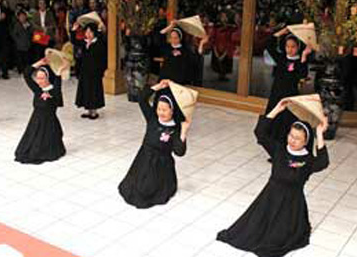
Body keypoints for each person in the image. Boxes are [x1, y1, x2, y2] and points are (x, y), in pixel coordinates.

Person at [217, 98, 329, 257]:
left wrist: (319, 132)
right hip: (269, 199)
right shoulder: (279, 151)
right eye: (291, 135)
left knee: (277, 239)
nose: (292, 140)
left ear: (306, 142)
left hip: (292, 205)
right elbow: (260, 133)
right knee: (251, 232)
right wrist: (277, 109)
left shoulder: (308, 160)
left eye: (297, 138)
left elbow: (323, 162)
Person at [118, 79, 190, 208]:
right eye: (159, 109)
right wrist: (158, 87)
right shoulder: (152, 118)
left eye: (165, 110)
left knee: (151, 191)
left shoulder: (175, 127)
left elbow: (179, 152)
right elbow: (141, 99)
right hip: (145, 158)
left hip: (162, 164)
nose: (161, 112)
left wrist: (184, 132)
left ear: (172, 110)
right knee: (138, 189)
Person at [14, 57, 65, 164]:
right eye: (38, 78)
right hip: (35, 121)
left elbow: (57, 101)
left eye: (42, 78)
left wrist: (59, 72)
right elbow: (26, 75)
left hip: (49, 122)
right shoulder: (37, 89)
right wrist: (38, 63)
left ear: (47, 78)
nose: (39, 81)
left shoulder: (53, 89)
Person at [264, 31, 311, 146]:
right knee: (273, 119)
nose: (290, 49)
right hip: (276, 94)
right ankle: (273, 147)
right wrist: (282, 32)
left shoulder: (299, 61)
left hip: (290, 96)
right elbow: (269, 44)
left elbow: (302, 75)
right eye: (287, 46)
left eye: (293, 47)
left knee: (286, 122)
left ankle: (284, 146)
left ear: (298, 47)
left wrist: (304, 56)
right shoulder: (281, 58)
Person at [74, 22, 107, 119]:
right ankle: (88, 111)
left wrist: (101, 71)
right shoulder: (84, 42)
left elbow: (103, 59)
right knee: (86, 90)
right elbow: (74, 41)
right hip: (85, 71)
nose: (88, 34)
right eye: (86, 32)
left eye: (90, 32)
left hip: (95, 72)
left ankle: (94, 112)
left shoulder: (99, 43)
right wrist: (74, 30)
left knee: (94, 91)